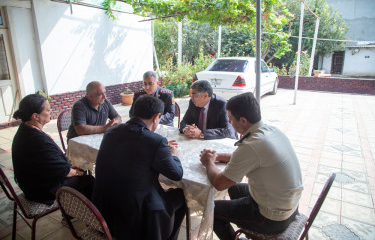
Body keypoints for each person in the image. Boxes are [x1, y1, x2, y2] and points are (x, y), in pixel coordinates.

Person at [200, 92, 303, 240]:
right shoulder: (270, 131)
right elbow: (243, 157)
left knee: (212, 210)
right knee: (234, 187)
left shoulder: (251, 145)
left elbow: (220, 183)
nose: (229, 122)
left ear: (242, 120)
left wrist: (208, 162)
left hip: (272, 218)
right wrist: (216, 156)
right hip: (289, 205)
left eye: (230, 118)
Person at [93, 95, 186, 240]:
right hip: (136, 216)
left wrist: (160, 151)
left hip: (103, 208)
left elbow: (133, 151)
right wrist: (173, 154)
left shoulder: (110, 132)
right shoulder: (156, 141)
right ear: (156, 117)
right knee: (181, 195)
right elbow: (177, 174)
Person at [12, 94, 95, 205]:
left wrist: (73, 169)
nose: (51, 111)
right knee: (88, 180)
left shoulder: (25, 129)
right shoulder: (38, 141)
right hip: (40, 191)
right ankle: (92, 215)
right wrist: (77, 172)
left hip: (32, 183)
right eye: (48, 110)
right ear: (35, 116)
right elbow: (64, 172)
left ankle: (72, 210)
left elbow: (50, 163)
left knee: (80, 169)